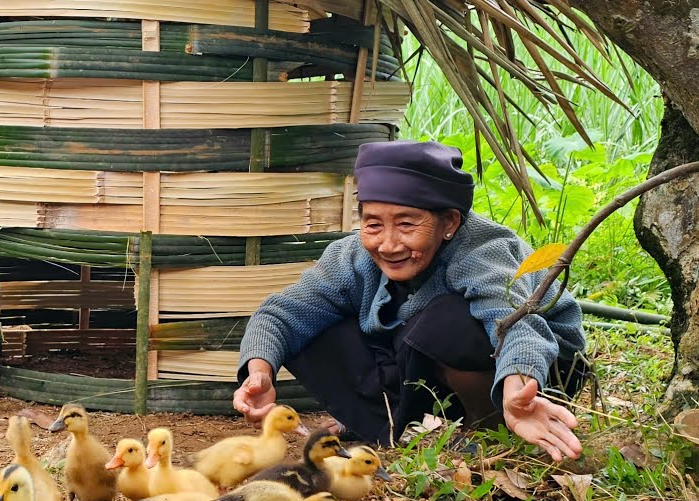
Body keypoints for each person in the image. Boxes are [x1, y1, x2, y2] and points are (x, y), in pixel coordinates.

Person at [234, 140, 586, 461]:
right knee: (314, 329)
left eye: (406, 225)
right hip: (422, 357)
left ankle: (492, 427)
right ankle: (392, 427)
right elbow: (280, 315)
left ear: (449, 222)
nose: (388, 244)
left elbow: (516, 326)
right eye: (373, 225)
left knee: (444, 324)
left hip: (540, 374)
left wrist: (516, 389)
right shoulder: (352, 257)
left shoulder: (481, 252)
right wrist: (259, 373)